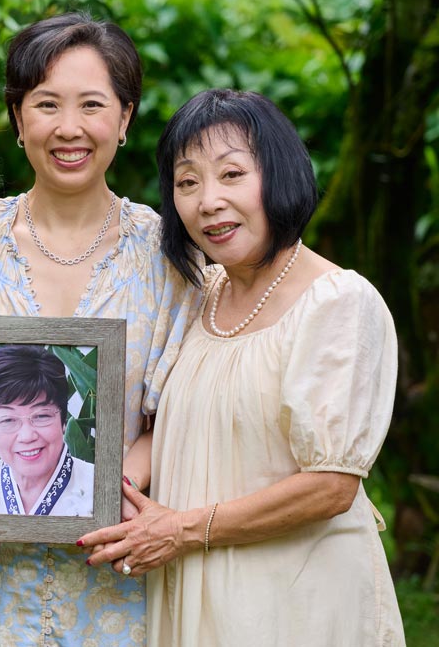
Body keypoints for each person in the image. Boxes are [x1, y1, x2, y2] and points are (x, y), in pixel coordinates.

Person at [79, 88, 406, 645]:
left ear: (280, 176)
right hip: (192, 589)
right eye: (187, 182)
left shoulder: (337, 303)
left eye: (232, 175)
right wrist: (100, 491)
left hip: (295, 599)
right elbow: (174, 426)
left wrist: (181, 529)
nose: (208, 201)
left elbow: (330, 486)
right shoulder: (198, 294)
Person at [0, 12, 200, 646]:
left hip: (112, 574)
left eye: (92, 105)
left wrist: (97, 492)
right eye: (46, 104)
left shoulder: (171, 257)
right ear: (18, 118)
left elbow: (179, 413)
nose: (69, 128)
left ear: (125, 118)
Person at [0, 345, 94, 516]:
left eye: (41, 416)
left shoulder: (102, 489)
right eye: (8, 420)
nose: (27, 436)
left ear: (63, 420)